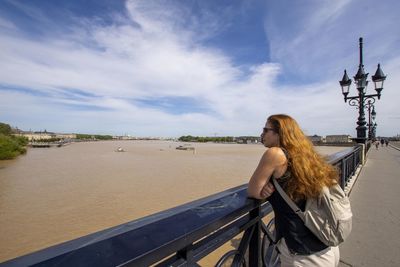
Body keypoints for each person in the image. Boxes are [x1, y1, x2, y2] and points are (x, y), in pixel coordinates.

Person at [247, 114, 340, 267]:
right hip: (325, 244)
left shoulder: (275, 153)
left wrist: (266, 186)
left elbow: (253, 191)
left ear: (279, 133)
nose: (261, 134)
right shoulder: (304, 156)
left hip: (304, 254)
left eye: (266, 130)